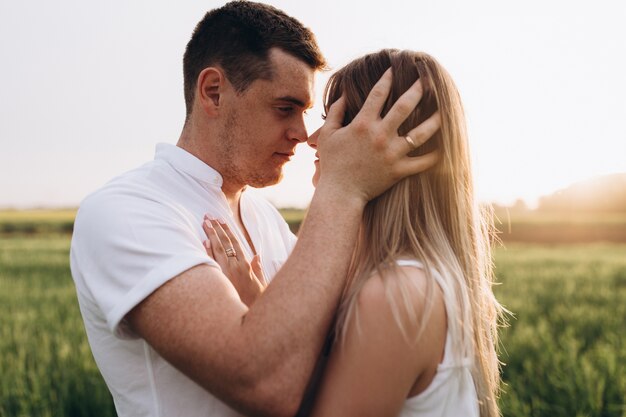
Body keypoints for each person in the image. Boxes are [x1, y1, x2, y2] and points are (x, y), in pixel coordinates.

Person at [69, 3, 439, 417]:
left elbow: (325, 367)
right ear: (213, 92)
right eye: (285, 108)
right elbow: (264, 384)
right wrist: (342, 187)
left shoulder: (267, 218)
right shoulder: (127, 211)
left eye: (305, 112)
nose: (302, 134)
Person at [204, 49, 505, 417]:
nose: (312, 139)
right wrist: (259, 304)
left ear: (383, 139)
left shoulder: (395, 295)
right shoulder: (412, 280)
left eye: (337, 121)